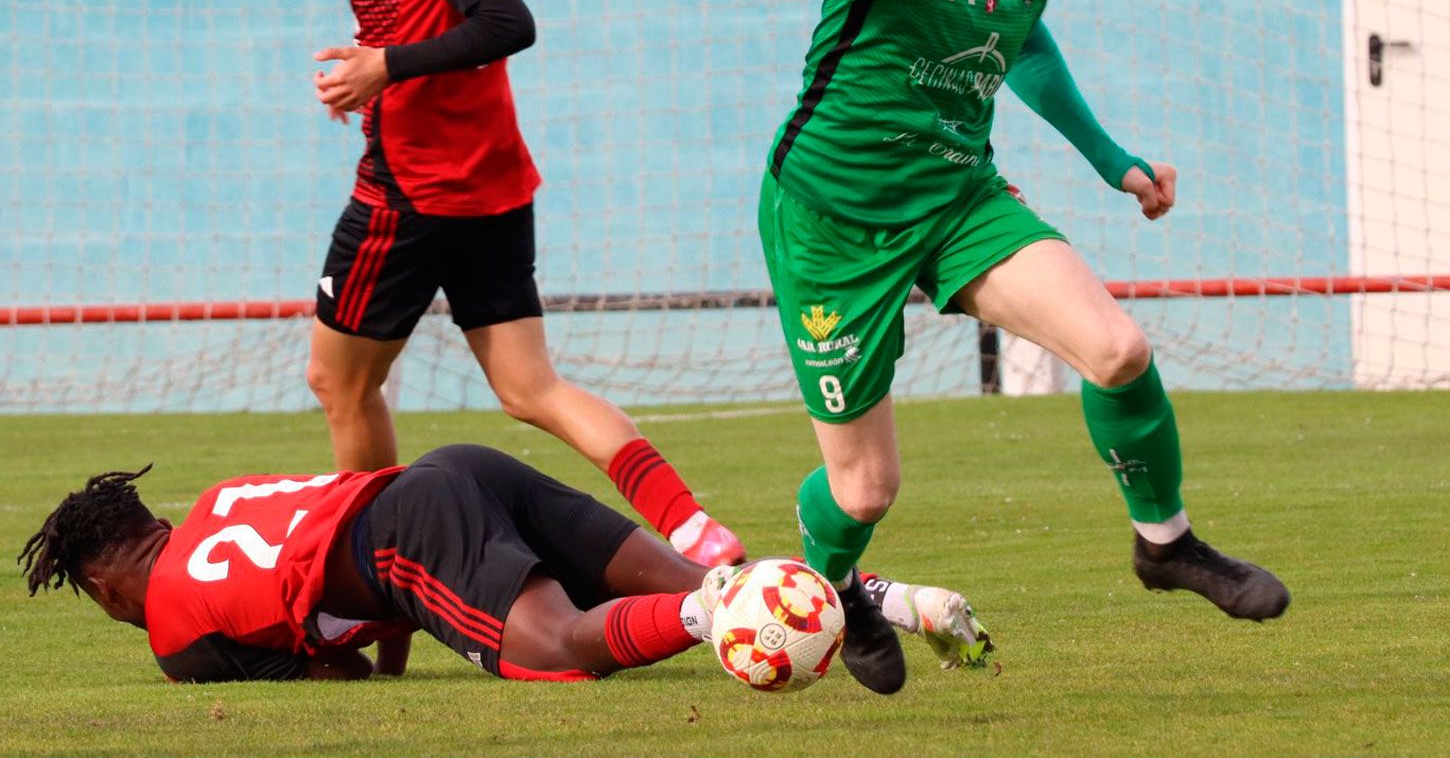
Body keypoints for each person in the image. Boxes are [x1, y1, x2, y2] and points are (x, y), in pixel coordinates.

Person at [731, 0, 1290, 695]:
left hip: (957, 198)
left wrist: (1111, 158)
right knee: (866, 489)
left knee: (1117, 349)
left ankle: (1167, 544)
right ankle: (834, 583)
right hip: (829, 216)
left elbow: (1020, 40)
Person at [303, 0, 742, 663]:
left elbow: (508, 15)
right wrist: (392, 70)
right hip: (493, 176)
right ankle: (695, 530)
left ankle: (386, 597)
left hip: (411, 193)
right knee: (528, 385)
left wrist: (385, 69)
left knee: (338, 381)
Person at [18, 447, 992, 684]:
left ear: (104, 586)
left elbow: (336, 668)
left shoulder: (175, 635)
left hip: (407, 534)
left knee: (557, 652)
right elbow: (331, 591)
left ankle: (718, 626)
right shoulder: (227, 495)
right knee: (682, 575)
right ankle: (885, 595)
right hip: (454, 470)